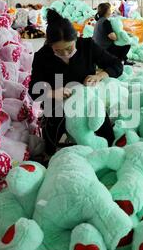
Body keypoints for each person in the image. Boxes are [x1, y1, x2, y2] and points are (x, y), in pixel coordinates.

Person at [29, 9, 123, 160]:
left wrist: (99, 76)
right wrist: (53, 93)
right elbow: (33, 89)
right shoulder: (42, 56)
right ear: (49, 45)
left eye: (69, 48)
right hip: (57, 108)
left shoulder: (87, 46)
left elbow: (116, 65)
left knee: (106, 139)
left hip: (87, 103)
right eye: (58, 51)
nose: (65, 54)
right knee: (57, 151)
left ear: (76, 39)